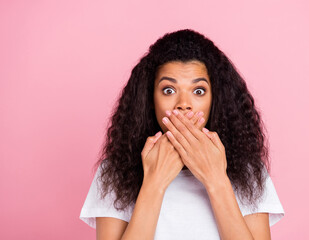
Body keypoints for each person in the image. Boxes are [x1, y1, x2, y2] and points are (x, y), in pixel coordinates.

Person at [79, 29, 285, 239]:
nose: (184, 105)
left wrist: (216, 180)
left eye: (198, 91)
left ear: (215, 100)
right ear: (151, 100)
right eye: (169, 90)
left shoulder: (248, 173)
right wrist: (154, 183)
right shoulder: (115, 174)